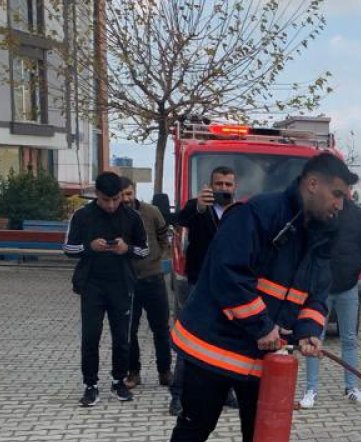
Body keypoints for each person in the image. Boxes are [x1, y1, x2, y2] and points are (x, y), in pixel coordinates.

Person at [153, 152, 354, 442]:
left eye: (344, 198)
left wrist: (310, 329)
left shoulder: (320, 234)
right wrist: (262, 326)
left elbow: (317, 293)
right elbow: (227, 273)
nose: (339, 204)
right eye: (336, 194)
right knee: (194, 428)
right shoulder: (259, 214)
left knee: (259, 434)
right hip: (214, 346)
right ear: (311, 183)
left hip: (261, 354)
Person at [63, 172, 149, 407]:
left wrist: (127, 248)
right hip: (91, 283)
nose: (111, 205)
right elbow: (69, 249)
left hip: (121, 283)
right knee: (90, 336)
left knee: (122, 337)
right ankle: (90, 385)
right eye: (105, 200)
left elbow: (145, 250)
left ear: (122, 195)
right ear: (96, 195)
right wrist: (89, 247)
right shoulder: (82, 215)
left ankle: (119, 380)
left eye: (116, 199)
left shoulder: (132, 216)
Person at [167, 166, 240, 416]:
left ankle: (226, 391)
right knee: (190, 339)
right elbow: (179, 220)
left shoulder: (239, 212)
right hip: (199, 284)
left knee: (227, 340)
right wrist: (198, 206)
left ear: (235, 187)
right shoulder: (197, 208)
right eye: (218, 184)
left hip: (229, 286)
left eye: (228, 184)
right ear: (210, 185)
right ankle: (178, 395)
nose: (223, 189)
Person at [300, 196, 361, 408]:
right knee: (315, 338)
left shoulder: (358, 215)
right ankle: (311, 389)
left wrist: (353, 271)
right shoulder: (317, 212)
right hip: (320, 290)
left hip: (348, 287)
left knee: (349, 339)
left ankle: (351, 388)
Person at [121, 177, 173, 391]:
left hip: (153, 278)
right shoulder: (115, 216)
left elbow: (164, 237)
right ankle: (133, 372)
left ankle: (164, 371)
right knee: (128, 330)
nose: (126, 199)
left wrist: (157, 257)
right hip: (127, 281)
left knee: (160, 328)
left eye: (129, 193)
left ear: (135, 192)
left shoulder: (151, 212)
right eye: (122, 194)